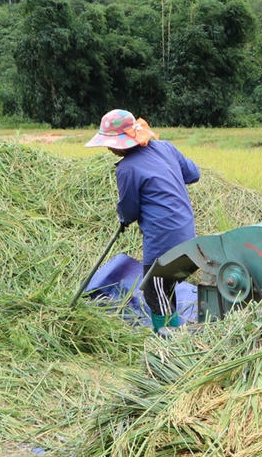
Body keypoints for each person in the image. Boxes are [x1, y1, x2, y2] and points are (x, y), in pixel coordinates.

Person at [86, 109, 200, 333]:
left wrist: (124, 219)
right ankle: (174, 331)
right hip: (188, 236)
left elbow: (130, 208)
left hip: (164, 239)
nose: (108, 148)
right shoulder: (166, 147)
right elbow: (193, 174)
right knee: (165, 287)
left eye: (110, 142)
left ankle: (168, 343)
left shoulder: (127, 168)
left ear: (124, 142)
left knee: (153, 291)